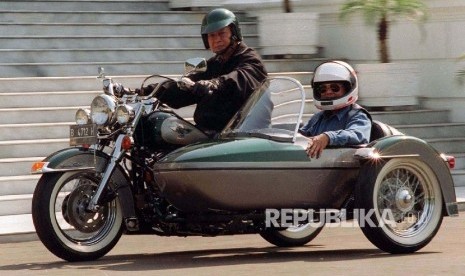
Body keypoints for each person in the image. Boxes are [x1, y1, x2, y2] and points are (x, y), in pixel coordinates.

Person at [147, 8, 268, 135]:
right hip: (211, 134)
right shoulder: (214, 64)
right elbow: (186, 86)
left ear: (234, 33)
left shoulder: (251, 59)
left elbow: (240, 78)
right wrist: (147, 92)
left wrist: (214, 84)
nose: (217, 39)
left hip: (244, 134)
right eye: (212, 35)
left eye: (221, 33)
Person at [299, 61, 371, 158]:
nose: (328, 92)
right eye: (322, 89)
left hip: (346, 168)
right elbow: (301, 135)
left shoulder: (358, 115)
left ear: (347, 88)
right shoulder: (318, 118)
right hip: (320, 165)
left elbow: (357, 135)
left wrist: (328, 137)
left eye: (334, 88)